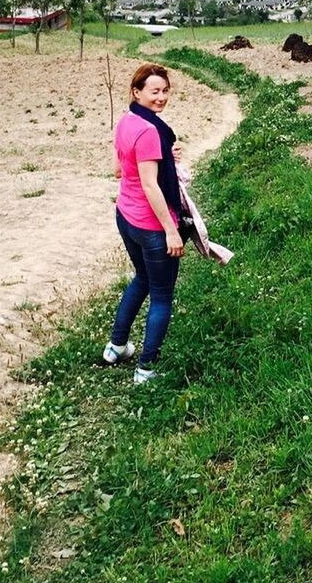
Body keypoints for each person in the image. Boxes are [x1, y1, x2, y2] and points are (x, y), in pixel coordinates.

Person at [102, 63, 185, 384]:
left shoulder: (127, 120)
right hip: (151, 227)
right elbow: (151, 185)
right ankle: (145, 369)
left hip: (126, 217)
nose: (161, 97)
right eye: (154, 91)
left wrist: (165, 153)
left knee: (141, 279)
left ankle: (116, 347)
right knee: (162, 295)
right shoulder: (150, 131)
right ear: (137, 92)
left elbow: (119, 170)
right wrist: (171, 230)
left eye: (165, 91)